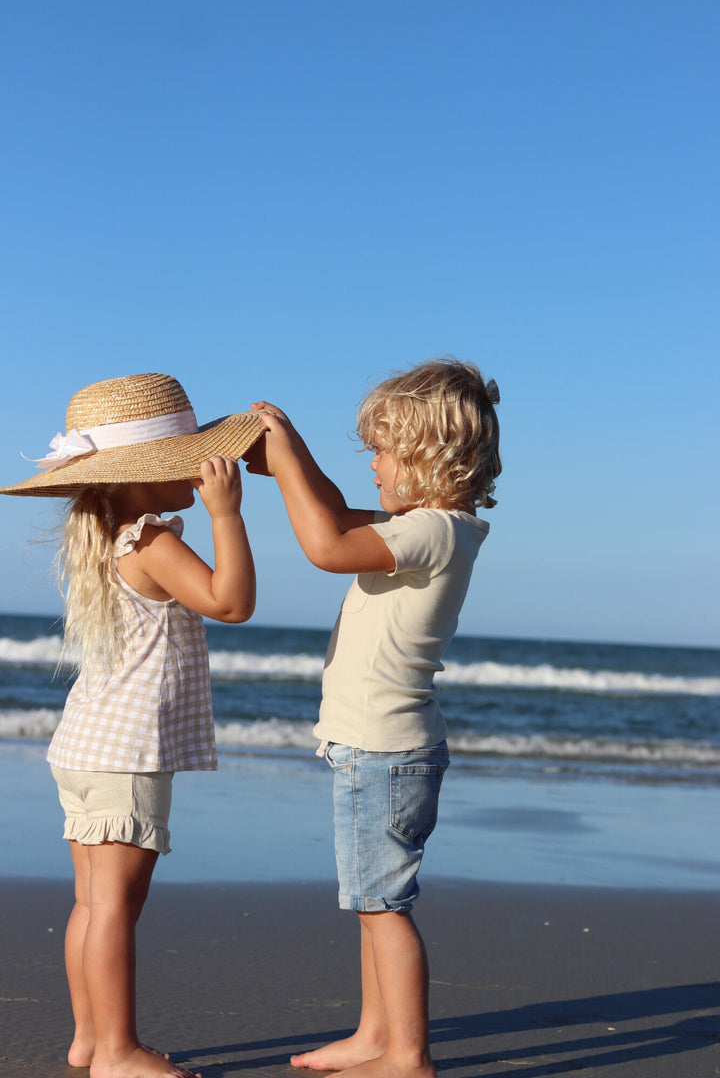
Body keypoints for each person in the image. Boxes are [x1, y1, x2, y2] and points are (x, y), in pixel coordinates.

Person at [0, 373, 265, 1078]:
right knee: (115, 904)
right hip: (124, 754)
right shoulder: (148, 541)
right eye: (190, 458)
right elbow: (231, 603)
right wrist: (227, 515)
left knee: (94, 902)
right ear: (145, 477)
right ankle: (116, 1051)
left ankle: (91, 1039)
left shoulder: (112, 537)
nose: (203, 469)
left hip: (87, 745)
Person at [246, 357, 501, 1078]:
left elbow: (326, 544)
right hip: (380, 748)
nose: (375, 468)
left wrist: (291, 465)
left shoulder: (432, 532)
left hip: (384, 750)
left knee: (384, 905)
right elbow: (330, 509)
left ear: (427, 457)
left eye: (383, 453)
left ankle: (409, 1055)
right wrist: (292, 460)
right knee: (370, 902)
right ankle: (374, 1036)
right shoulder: (432, 526)